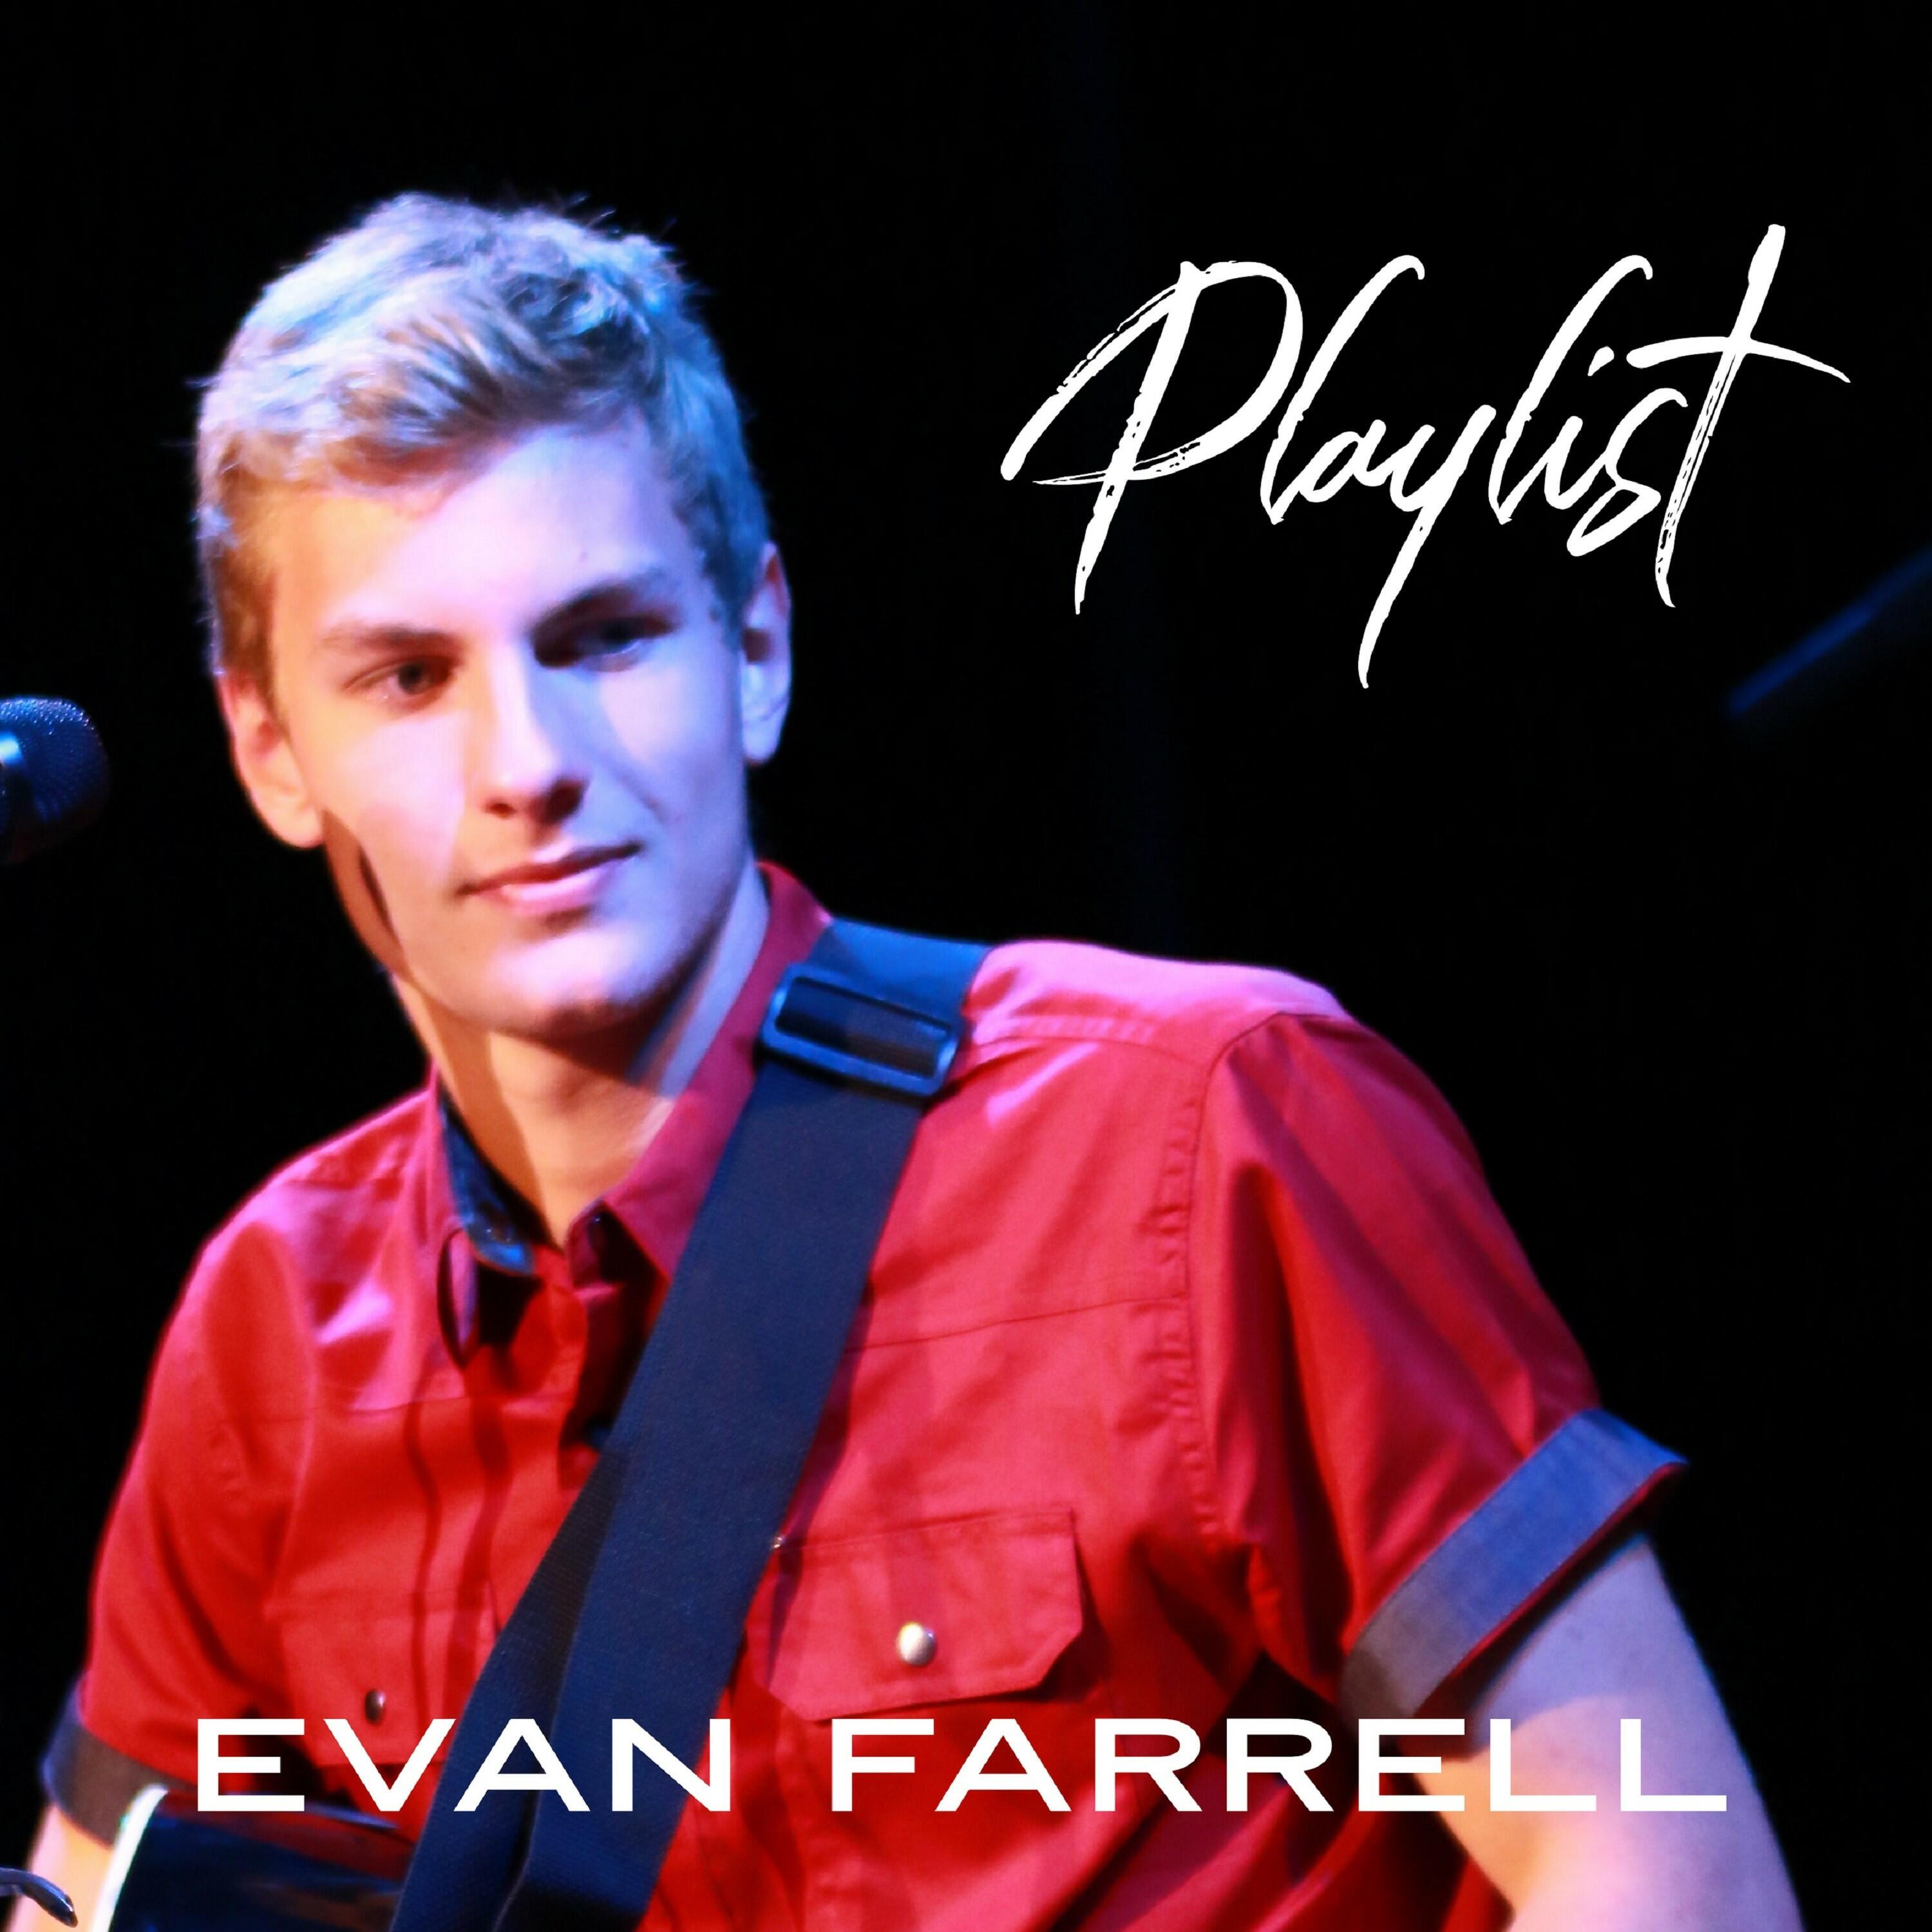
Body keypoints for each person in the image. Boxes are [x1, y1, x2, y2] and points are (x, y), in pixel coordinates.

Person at [10, 194, 1801, 1931]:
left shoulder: (1206, 1129)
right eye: (409, 679)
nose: (526, 762)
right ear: (271, 750)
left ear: (757, 647)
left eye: (604, 637)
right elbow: (82, 1903)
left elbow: (1675, 1877)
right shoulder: (274, 1330)